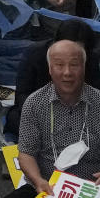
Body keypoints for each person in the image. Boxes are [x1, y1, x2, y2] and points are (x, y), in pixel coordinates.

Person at [10, 39, 100, 198]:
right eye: (59, 65)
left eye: (74, 64)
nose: (67, 72)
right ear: (50, 69)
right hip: (47, 184)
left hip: (90, 187)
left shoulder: (98, 101)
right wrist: (38, 180)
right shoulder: (34, 103)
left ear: (84, 68)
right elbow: (26, 154)